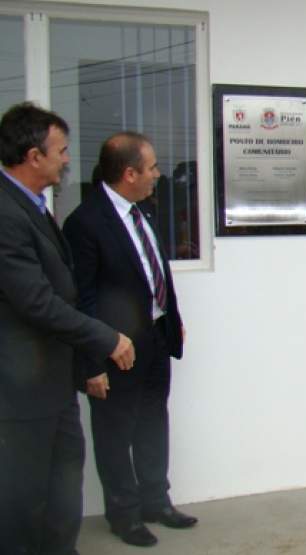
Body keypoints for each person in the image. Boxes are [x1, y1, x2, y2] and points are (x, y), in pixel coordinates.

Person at [0, 102, 135, 554]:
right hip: (20, 393)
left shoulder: (33, 205)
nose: (66, 160)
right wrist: (105, 338)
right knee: (24, 503)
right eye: (60, 150)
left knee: (61, 495)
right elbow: (37, 302)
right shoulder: (5, 213)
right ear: (33, 156)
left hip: (52, 382)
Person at [63, 132, 195, 547]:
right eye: (152, 167)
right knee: (115, 433)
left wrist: (170, 319)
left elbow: (154, 272)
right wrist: (92, 363)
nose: (158, 174)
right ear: (129, 173)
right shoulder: (85, 223)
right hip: (115, 348)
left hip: (154, 341)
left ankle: (156, 501)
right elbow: (81, 299)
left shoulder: (144, 211)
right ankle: (124, 514)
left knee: (154, 421)